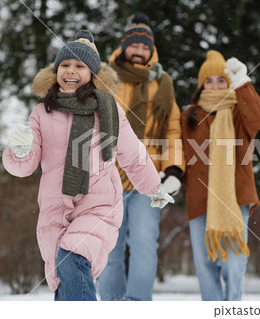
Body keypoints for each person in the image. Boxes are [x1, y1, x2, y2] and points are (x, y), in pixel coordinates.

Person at [2, 30, 174, 301]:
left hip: (99, 204)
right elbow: (25, 167)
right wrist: (19, 149)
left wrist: (154, 187)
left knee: (72, 255)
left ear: (92, 74)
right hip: (55, 208)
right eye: (65, 65)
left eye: (80, 66)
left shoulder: (108, 109)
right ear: (56, 71)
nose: (71, 71)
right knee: (62, 276)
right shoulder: (42, 112)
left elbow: (132, 153)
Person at [98, 14, 185, 301]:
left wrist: (173, 170)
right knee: (109, 246)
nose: (139, 51)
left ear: (152, 51)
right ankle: (111, 305)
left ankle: (137, 305)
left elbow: (172, 129)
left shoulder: (163, 86)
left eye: (145, 47)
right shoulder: (105, 78)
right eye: (134, 45)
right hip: (108, 175)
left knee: (145, 244)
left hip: (149, 179)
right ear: (124, 47)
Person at [181, 50, 260, 301]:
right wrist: (173, 174)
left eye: (221, 80)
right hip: (199, 197)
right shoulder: (189, 115)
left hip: (235, 194)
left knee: (233, 261)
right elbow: (178, 151)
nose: (215, 85)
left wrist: (243, 80)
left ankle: (232, 307)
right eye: (209, 81)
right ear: (201, 85)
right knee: (205, 265)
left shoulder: (239, 112)